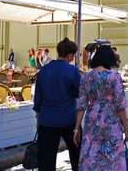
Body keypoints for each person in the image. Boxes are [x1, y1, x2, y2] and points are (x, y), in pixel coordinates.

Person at [74, 45, 128, 171]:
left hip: (92, 121)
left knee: (92, 154)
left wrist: (76, 128)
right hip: (111, 121)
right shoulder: (114, 77)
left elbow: (81, 105)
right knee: (112, 156)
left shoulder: (86, 77)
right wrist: (126, 128)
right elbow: (120, 105)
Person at [33, 38, 81, 171]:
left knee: (46, 161)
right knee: (77, 156)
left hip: (47, 119)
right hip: (69, 118)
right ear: (70, 55)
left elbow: (38, 98)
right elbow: (80, 94)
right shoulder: (73, 71)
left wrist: (38, 118)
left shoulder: (43, 71)